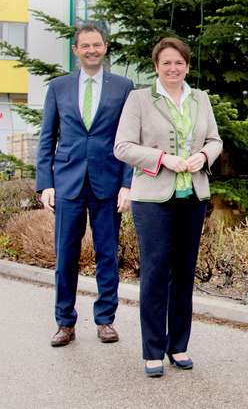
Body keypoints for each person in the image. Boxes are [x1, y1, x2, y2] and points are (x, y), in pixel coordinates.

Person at [114, 37, 222, 377]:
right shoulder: (139, 100)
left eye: (179, 63)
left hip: (192, 198)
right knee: (156, 272)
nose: (173, 68)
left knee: (184, 274)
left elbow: (215, 140)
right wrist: (162, 158)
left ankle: (178, 345)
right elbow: (123, 147)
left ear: (187, 66)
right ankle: (152, 350)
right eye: (166, 63)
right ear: (156, 66)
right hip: (152, 200)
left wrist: (203, 156)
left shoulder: (200, 99)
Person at [36, 23, 134, 347]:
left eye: (97, 45)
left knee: (107, 255)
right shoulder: (58, 87)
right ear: (76, 50)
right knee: (65, 256)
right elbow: (47, 139)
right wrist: (45, 184)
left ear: (105, 47)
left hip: (108, 184)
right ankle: (65, 322)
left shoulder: (123, 87)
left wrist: (127, 184)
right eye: (85, 46)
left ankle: (106, 320)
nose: (92, 50)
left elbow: (129, 139)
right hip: (67, 183)